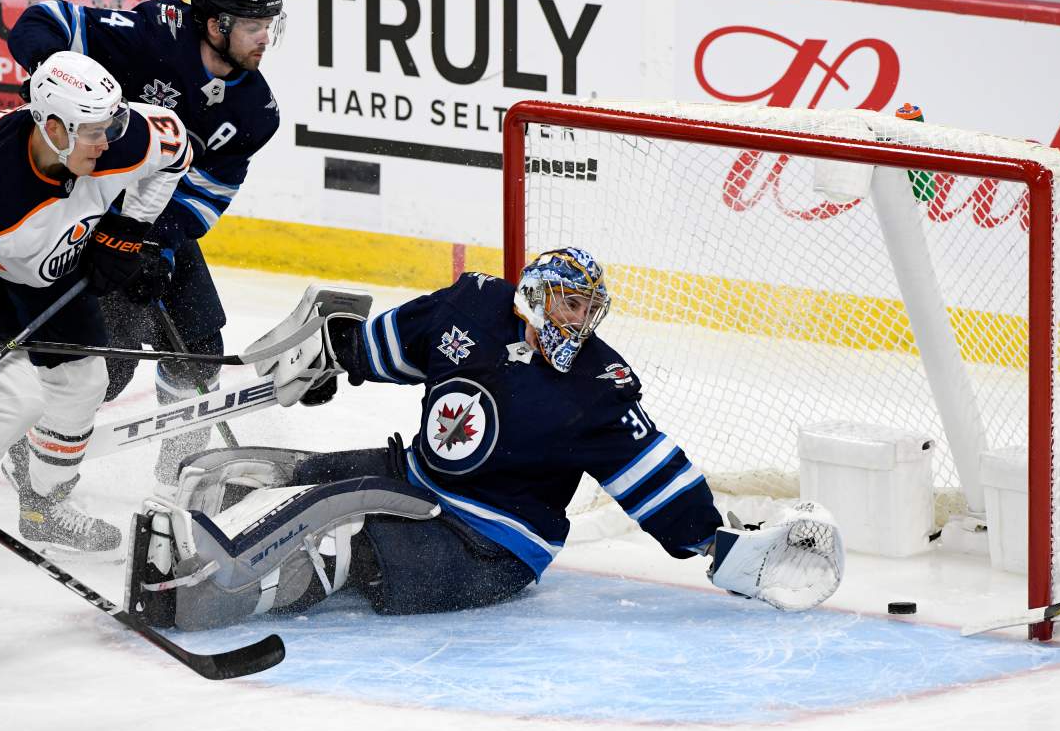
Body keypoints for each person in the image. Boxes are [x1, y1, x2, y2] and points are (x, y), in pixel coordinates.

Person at [123, 249, 845, 631]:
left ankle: (212, 599)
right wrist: (336, 359)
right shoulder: (473, 306)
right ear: (534, 294)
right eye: (568, 301)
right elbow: (394, 343)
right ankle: (195, 532)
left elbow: (653, 478)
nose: (579, 320)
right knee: (265, 471)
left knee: (341, 533)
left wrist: (714, 543)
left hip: (491, 547)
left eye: (590, 308)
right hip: (419, 476)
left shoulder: (600, 384)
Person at [7, 0, 284, 483]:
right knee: (106, 361)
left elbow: (207, 193)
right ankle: (31, 455)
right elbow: (45, 20)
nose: (264, 37)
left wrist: (153, 243)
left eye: (269, 24)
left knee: (201, 348)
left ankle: (183, 475)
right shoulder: (153, 33)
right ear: (214, 24)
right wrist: (51, 80)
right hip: (77, 211)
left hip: (149, 225)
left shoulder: (255, 111)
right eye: (252, 24)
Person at [0, 51, 191, 590]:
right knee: (15, 401)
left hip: (45, 268)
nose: (108, 143)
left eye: (112, 127)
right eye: (95, 133)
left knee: (84, 382)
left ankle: (43, 506)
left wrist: (129, 229)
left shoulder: (119, 139)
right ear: (52, 128)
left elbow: (176, 151)